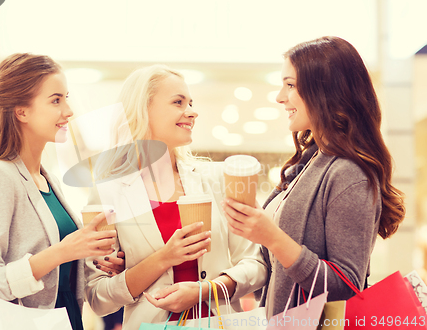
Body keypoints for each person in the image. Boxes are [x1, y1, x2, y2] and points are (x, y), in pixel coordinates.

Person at [222, 36, 405, 318]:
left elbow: (346, 287)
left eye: (290, 85)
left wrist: (273, 238)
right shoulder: (311, 161)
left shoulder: (348, 172)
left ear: (326, 91)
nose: (280, 96)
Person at [84, 65, 267, 330]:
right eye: (178, 102)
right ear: (143, 110)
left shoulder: (217, 179)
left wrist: (207, 290)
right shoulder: (108, 192)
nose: (192, 112)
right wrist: (164, 257)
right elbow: (98, 297)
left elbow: (257, 262)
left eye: (190, 103)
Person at [0, 53, 121, 330]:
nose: (68, 111)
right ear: (22, 111)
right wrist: (61, 252)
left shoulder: (48, 180)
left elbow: (63, 270)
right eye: (56, 100)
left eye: (66, 98)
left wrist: (97, 261)